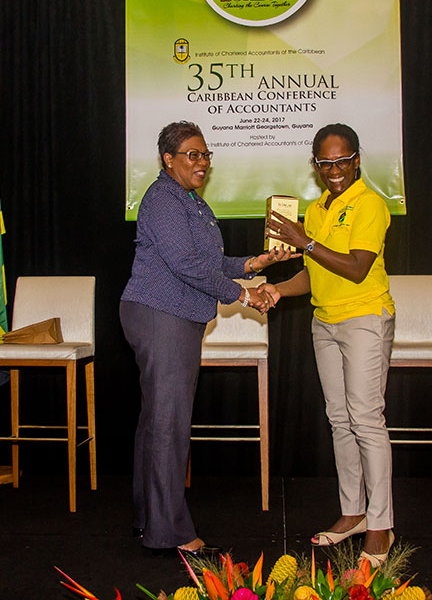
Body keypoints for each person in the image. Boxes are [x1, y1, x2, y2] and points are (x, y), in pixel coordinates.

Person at [120, 120, 292, 553]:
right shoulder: (163, 198)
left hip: (171, 315)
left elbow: (209, 262)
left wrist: (253, 264)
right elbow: (186, 265)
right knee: (168, 425)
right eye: (192, 155)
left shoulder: (192, 202)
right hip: (161, 315)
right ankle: (170, 534)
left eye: (205, 155)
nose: (202, 162)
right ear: (168, 159)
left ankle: (148, 518)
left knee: (157, 421)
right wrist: (244, 295)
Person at [262, 123, 396, 567]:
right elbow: (315, 272)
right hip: (324, 321)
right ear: (315, 165)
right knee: (340, 420)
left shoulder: (370, 204)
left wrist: (305, 241)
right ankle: (353, 512)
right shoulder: (318, 209)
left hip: (365, 318)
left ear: (356, 160)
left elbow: (356, 268)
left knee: (366, 420)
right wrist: (278, 289)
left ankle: (381, 525)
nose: (334, 170)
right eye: (325, 162)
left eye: (342, 161)